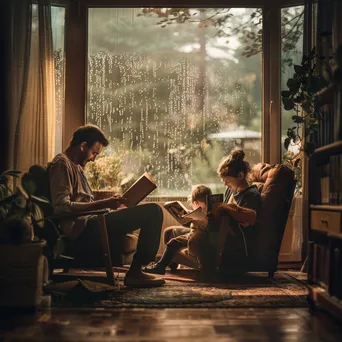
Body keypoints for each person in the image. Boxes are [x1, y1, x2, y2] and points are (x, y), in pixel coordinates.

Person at [48, 124, 165, 287]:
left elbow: (84, 202)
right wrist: (104, 203)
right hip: (82, 230)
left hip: (92, 222)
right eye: (94, 152)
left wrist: (111, 203)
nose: (94, 158)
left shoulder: (77, 167)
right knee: (154, 211)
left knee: (147, 210)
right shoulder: (62, 164)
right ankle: (136, 272)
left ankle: (138, 269)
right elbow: (61, 207)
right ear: (83, 146)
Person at [143, 184, 212, 275]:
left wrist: (197, 219)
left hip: (199, 234)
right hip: (194, 231)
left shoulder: (210, 212)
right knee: (171, 233)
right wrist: (187, 217)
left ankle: (160, 266)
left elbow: (203, 227)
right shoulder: (204, 209)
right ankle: (170, 264)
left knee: (173, 242)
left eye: (199, 204)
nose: (197, 206)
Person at [212, 149, 262, 274]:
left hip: (239, 238)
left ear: (240, 175)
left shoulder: (252, 195)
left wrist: (226, 208)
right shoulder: (231, 190)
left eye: (227, 180)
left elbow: (250, 218)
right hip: (225, 229)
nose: (225, 184)